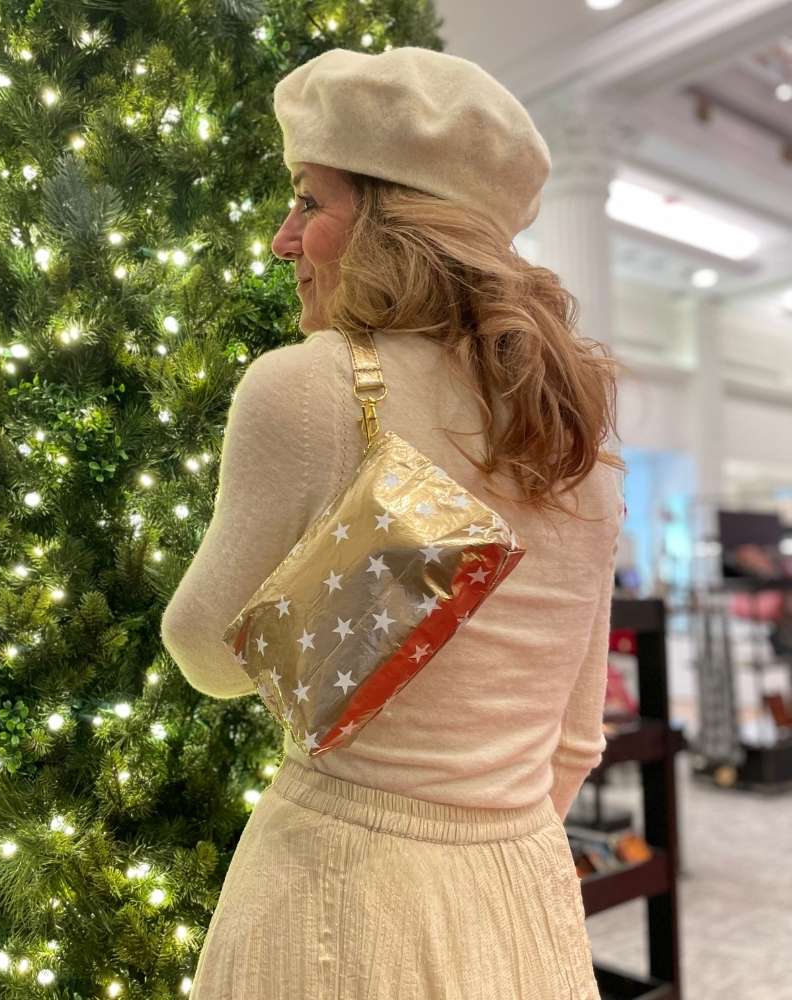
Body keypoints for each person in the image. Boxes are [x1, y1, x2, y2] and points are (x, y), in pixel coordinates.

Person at [161, 45, 626, 999]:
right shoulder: (580, 448)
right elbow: (579, 739)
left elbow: (205, 653)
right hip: (523, 891)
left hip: (340, 889)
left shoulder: (309, 388)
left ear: (392, 223)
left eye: (307, 201)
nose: (284, 239)